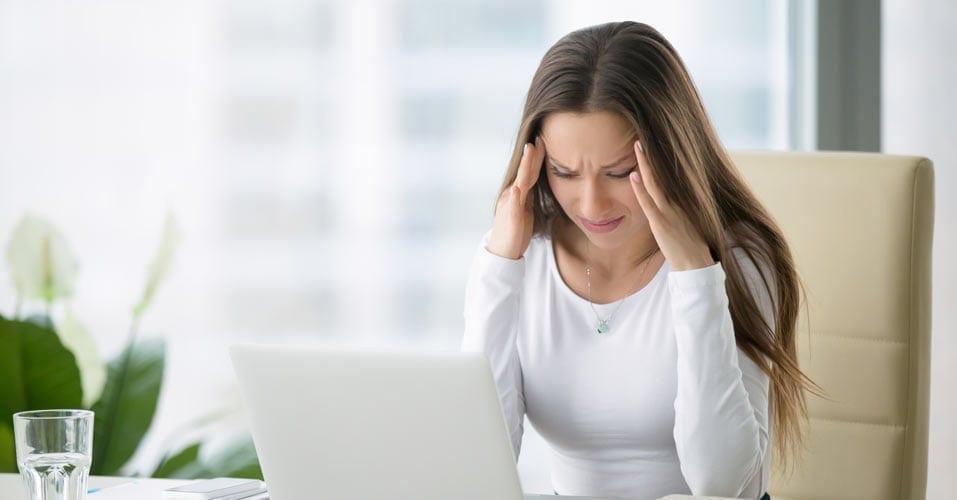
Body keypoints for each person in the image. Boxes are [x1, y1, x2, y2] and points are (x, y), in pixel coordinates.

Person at [461, 21, 816, 500]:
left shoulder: (737, 260)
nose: (590, 205)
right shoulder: (521, 253)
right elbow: (479, 464)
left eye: (619, 172)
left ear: (670, 155)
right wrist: (501, 266)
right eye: (564, 172)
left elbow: (726, 485)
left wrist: (696, 277)